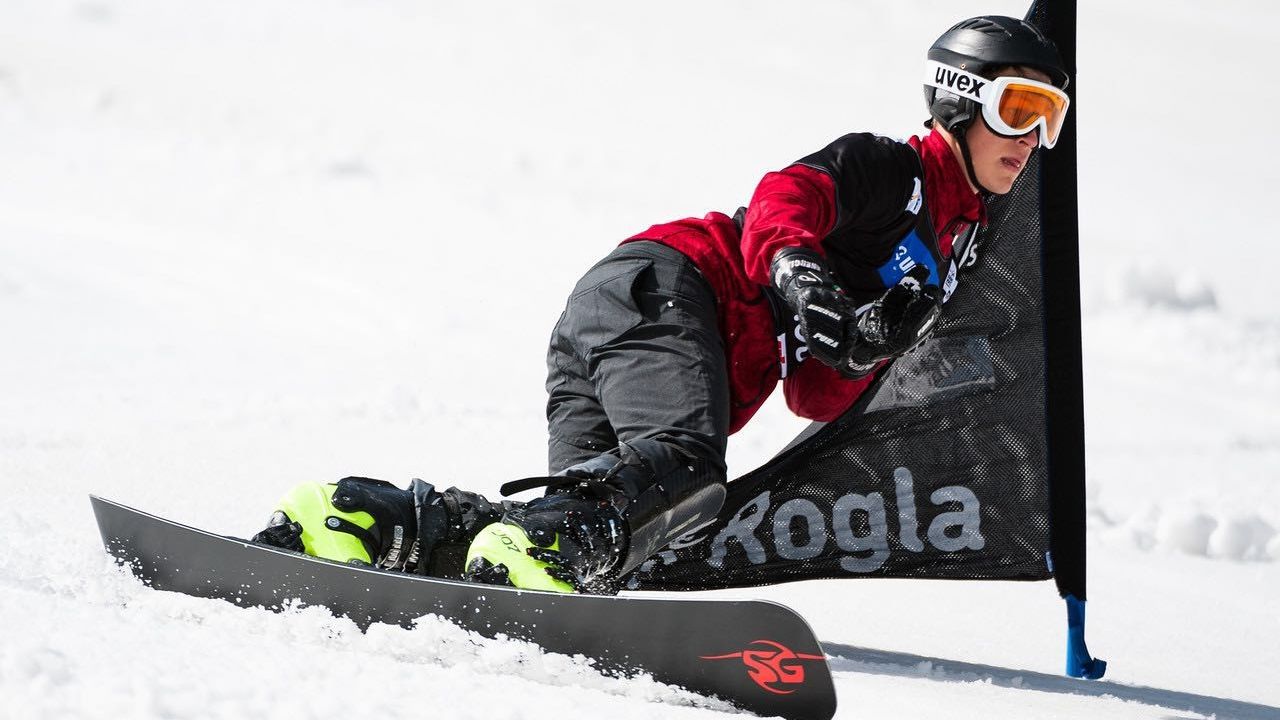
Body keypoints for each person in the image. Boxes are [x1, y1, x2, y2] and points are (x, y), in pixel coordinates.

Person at [253, 15, 1071, 594]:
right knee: (682, 476)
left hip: (628, 320)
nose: (1031, 138)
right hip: (670, 292)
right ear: (960, 98)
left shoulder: (948, 249)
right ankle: (507, 547)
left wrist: (864, 350)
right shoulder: (897, 171)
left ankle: (364, 522)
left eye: (1050, 119)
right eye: (1018, 109)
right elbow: (786, 195)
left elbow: (809, 393)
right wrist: (797, 271)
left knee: (598, 534)